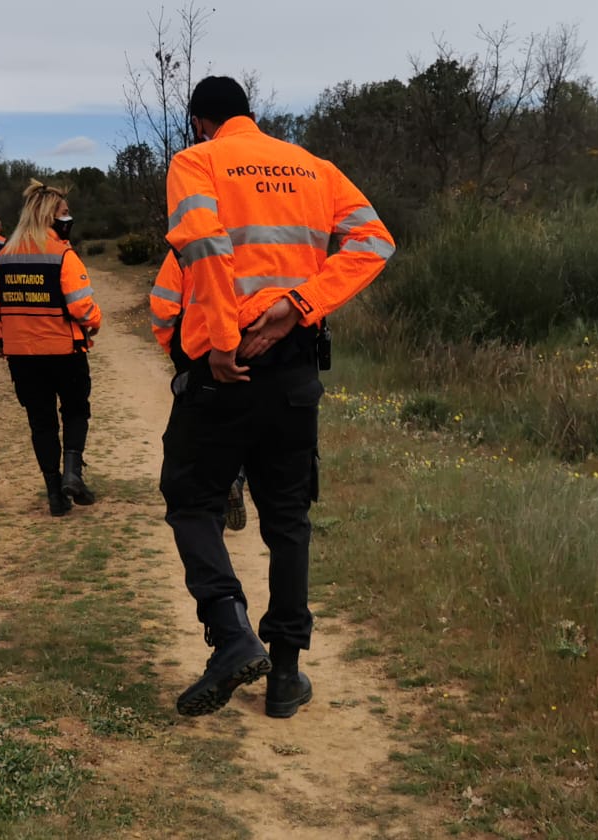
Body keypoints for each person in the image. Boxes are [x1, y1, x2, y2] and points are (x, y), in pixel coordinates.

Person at [161, 76, 393, 719]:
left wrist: (219, 336)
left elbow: (204, 251)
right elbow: (375, 241)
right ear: (251, 115)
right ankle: (286, 675)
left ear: (200, 121)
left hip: (224, 370)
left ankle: (231, 635)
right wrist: (300, 306)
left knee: (191, 502)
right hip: (294, 375)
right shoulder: (315, 168)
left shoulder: (197, 161)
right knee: (287, 521)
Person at [0, 181, 102, 517]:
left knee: (41, 423)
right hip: (66, 353)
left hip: (22, 357)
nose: (68, 218)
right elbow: (81, 307)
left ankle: (54, 494)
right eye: (63, 213)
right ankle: (73, 474)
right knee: (75, 411)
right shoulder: (62, 254)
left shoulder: (4, 257)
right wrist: (96, 322)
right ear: (49, 216)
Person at [149, 254, 249, 533]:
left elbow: (163, 308)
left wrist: (178, 354)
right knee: (241, 423)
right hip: (252, 348)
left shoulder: (186, 247)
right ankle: (236, 477)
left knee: (192, 439)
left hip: (199, 355)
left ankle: (204, 502)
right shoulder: (254, 236)